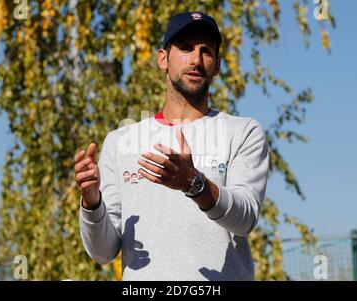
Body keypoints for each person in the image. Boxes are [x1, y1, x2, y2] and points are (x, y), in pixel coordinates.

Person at [74, 12, 269, 281]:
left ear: (217, 65)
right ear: (163, 59)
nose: (196, 60)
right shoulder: (120, 142)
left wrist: (194, 183)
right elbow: (103, 253)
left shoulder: (244, 132)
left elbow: (245, 219)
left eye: (206, 51)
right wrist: (92, 202)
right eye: (186, 47)